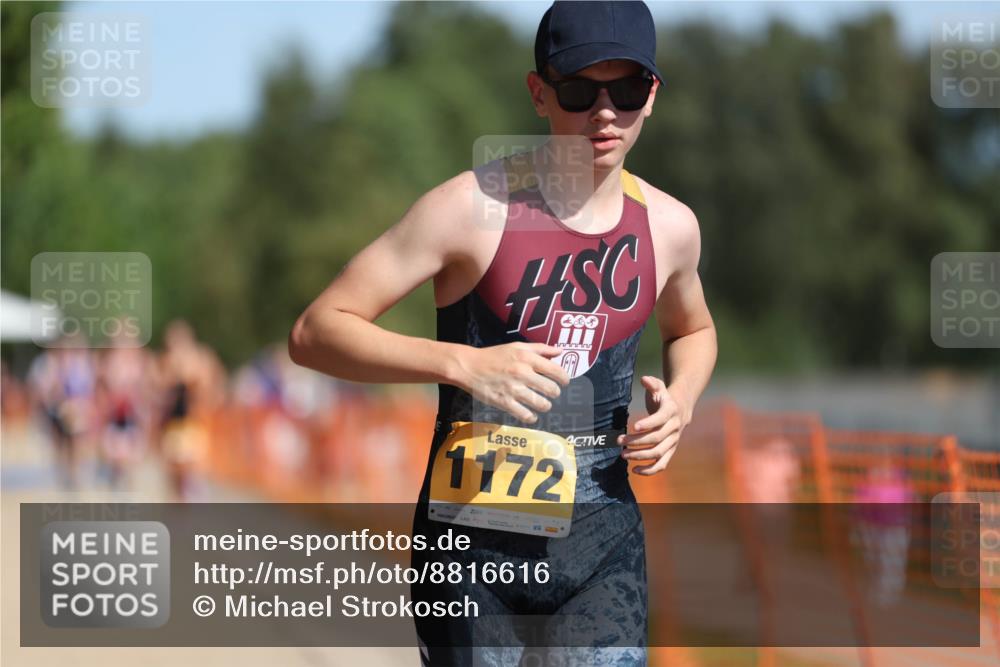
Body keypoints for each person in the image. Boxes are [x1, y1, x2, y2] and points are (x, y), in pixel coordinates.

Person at [289, 2, 717, 664]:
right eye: (579, 90)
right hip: (469, 550)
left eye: (627, 89)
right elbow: (317, 330)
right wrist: (462, 363)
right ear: (539, 93)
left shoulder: (670, 226)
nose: (605, 113)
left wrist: (683, 398)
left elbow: (694, 327)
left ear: (652, 95)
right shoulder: (470, 208)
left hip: (602, 547)